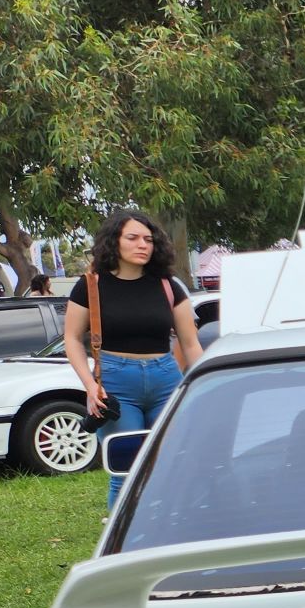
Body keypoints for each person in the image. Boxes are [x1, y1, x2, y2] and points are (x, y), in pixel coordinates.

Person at [63, 210, 204, 507]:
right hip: (116, 383)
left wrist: (205, 384)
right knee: (125, 470)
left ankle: (168, 526)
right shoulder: (90, 285)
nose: (143, 245)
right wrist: (90, 385)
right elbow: (72, 339)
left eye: (148, 240)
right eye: (133, 238)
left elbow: (191, 344)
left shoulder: (168, 285)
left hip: (166, 379)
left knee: (174, 466)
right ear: (114, 241)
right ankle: (123, 535)